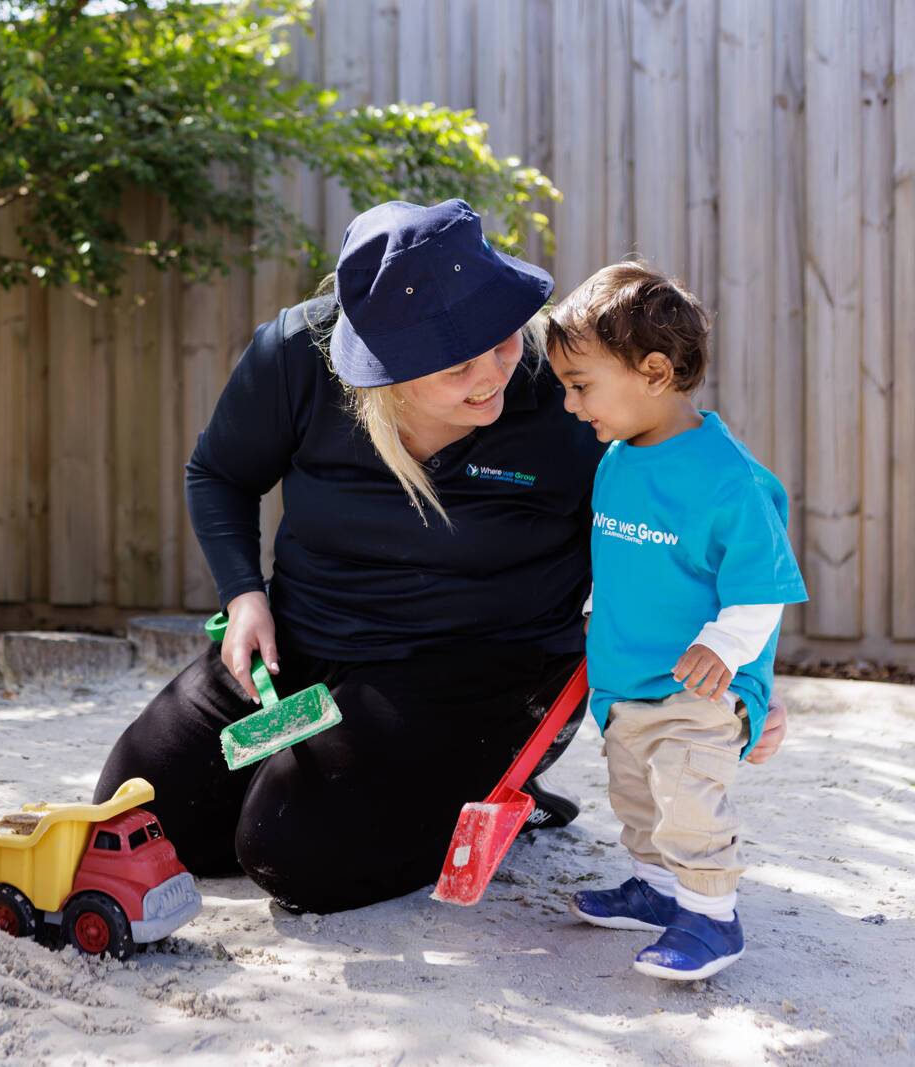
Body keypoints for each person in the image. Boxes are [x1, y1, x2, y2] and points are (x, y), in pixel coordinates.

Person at [94, 199, 606, 914]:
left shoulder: (571, 390)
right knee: (143, 812)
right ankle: (370, 769)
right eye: (458, 364)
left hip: (477, 667)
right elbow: (220, 472)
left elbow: (676, 522)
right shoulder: (297, 356)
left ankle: (490, 779)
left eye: (500, 341)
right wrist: (245, 596)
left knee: (288, 850)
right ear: (383, 366)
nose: (493, 373)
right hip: (310, 645)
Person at [547, 262, 807, 981]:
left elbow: (764, 583)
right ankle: (658, 891)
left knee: (688, 798)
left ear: (654, 371)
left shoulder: (727, 475)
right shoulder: (620, 459)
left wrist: (728, 647)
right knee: (636, 792)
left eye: (580, 385)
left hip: (698, 686)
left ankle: (711, 917)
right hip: (629, 674)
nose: (571, 406)